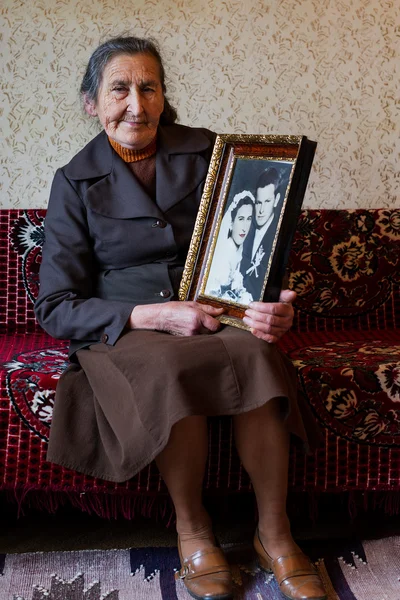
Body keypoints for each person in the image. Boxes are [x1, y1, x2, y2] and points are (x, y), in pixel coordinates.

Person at [34, 35, 326, 600]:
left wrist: (266, 304)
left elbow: (253, 251)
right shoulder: (73, 180)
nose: (136, 105)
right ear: (92, 103)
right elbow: (55, 306)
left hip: (217, 316)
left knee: (258, 355)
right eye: (119, 89)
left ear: (165, 97)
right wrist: (156, 315)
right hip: (130, 325)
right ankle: (192, 529)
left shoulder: (214, 153)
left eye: (149, 88)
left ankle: (276, 534)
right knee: (169, 369)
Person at [241, 167, 285, 301]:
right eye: (258, 202)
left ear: (276, 200)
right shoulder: (245, 228)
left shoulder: (280, 234)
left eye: (267, 202)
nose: (261, 210)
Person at [205, 190, 255, 304]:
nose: (244, 227)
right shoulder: (226, 249)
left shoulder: (238, 250)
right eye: (241, 219)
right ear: (231, 223)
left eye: (249, 219)